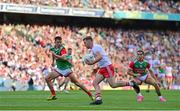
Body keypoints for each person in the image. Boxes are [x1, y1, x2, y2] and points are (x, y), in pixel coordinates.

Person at [83, 36, 137, 105]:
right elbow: (100, 58)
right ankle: (98, 99)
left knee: (113, 85)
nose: (84, 44)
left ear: (89, 41)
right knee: (95, 83)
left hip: (107, 67)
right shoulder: (93, 49)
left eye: (85, 43)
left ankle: (131, 83)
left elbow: (100, 56)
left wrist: (92, 63)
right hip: (102, 67)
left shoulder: (95, 47)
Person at [45, 36, 93, 101]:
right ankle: (53, 94)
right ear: (55, 42)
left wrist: (55, 56)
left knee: (77, 83)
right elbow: (53, 55)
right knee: (47, 78)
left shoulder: (63, 49)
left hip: (66, 69)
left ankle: (90, 94)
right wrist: (53, 61)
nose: (59, 43)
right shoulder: (53, 48)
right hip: (59, 69)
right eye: (57, 42)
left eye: (60, 42)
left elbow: (64, 58)